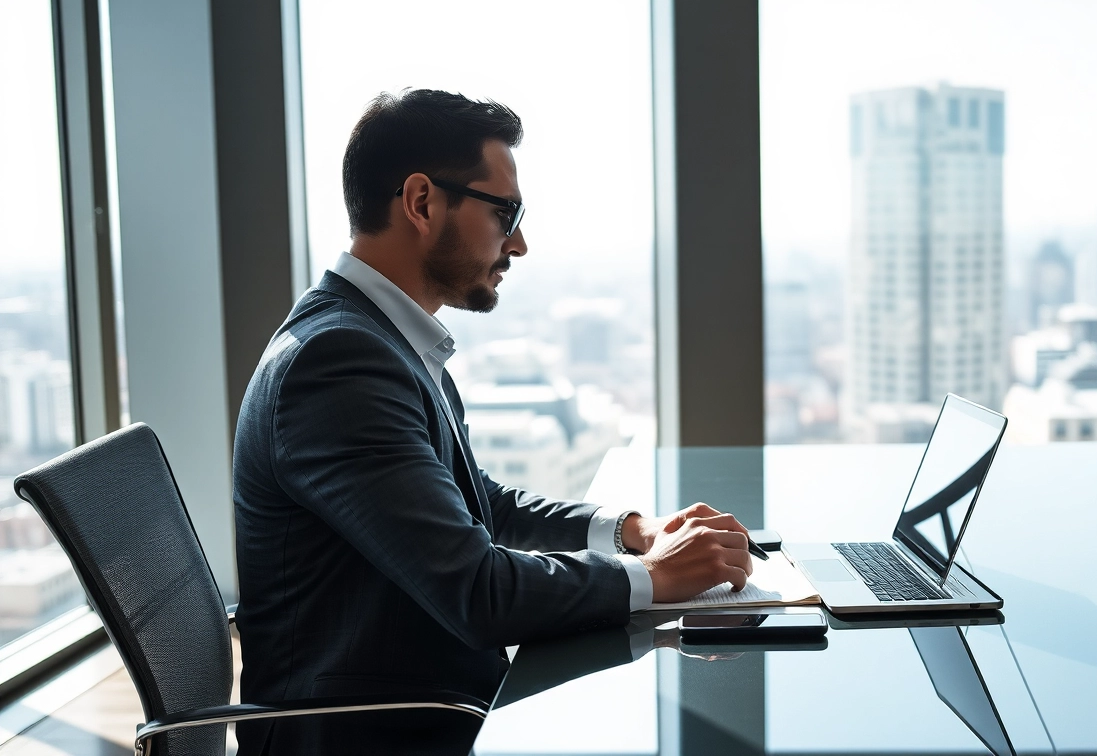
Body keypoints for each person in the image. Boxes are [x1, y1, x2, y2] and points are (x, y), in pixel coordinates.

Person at [231, 89, 754, 754]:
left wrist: (629, 532)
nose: (521, 241)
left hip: (426, 703)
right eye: (505, 211)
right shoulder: (338, 364)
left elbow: (480, 507)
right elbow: (477, 591)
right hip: (384, 730)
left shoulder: (378, 341)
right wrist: (659, 577)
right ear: (421, 203)